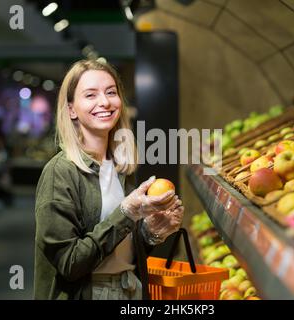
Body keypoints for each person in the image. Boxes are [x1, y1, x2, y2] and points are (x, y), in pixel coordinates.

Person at [34, 59, 184, 300]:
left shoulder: (120, 167)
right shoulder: (60, 172)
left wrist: (150, 233)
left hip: (128, 290)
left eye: (111, 92)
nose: (104, 102)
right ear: (71, 109)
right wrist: (126, 212)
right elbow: (69, 264)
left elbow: (119, 253)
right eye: (90, 95)